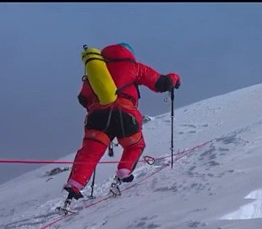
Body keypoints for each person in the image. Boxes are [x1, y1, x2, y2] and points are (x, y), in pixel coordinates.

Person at [64, 42, 181, 202]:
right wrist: (175, 78)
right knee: (135, 145)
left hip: (97, 116)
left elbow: (83, 98)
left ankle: (74, 186)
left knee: (90, 152)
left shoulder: (97, 71)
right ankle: (123, 172)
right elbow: (161, 83)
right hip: (125, 114)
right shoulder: (134, 66)